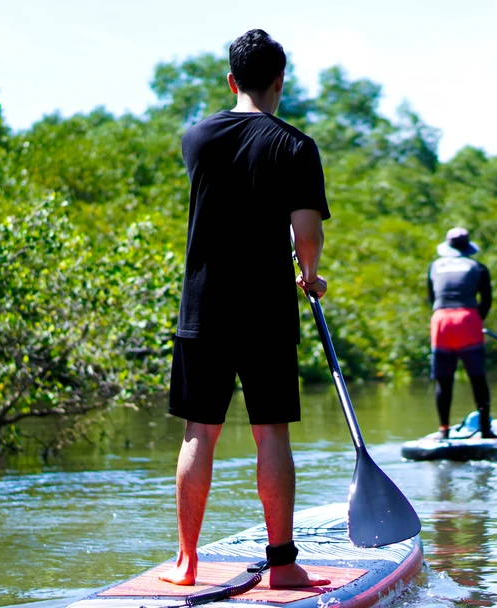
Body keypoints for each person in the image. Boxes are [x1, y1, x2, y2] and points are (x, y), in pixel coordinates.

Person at [160, 29, 331, 589]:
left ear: (231, 80)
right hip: (266, 310)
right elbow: (306, 233)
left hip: (203, 307)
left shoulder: (195, 138)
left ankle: (186, 562)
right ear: (280, 82)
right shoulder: (296, 145)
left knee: (198, 433)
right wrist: (310, 275)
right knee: (271, 433)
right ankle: (282, 565)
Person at [427, 227, 497, 440]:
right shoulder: (478, 267)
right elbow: (486, 300)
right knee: (477, 378)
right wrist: (476, 321)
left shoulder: (434, 267)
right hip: (467, 318)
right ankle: (485, 429)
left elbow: (433, 299)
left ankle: (443, 429)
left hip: (440, 320)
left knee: (443, 380)